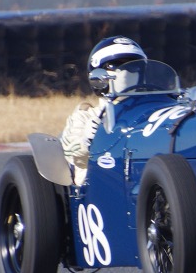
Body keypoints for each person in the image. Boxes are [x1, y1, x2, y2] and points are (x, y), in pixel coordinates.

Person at [60, 36, 147, 184]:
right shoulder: (85, 115)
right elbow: (73, 157)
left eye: (133, 66)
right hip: (99, 184)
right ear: (98, 75)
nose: (125, 71)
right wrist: (86, 141)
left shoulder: (150, 115)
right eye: (116, 65)